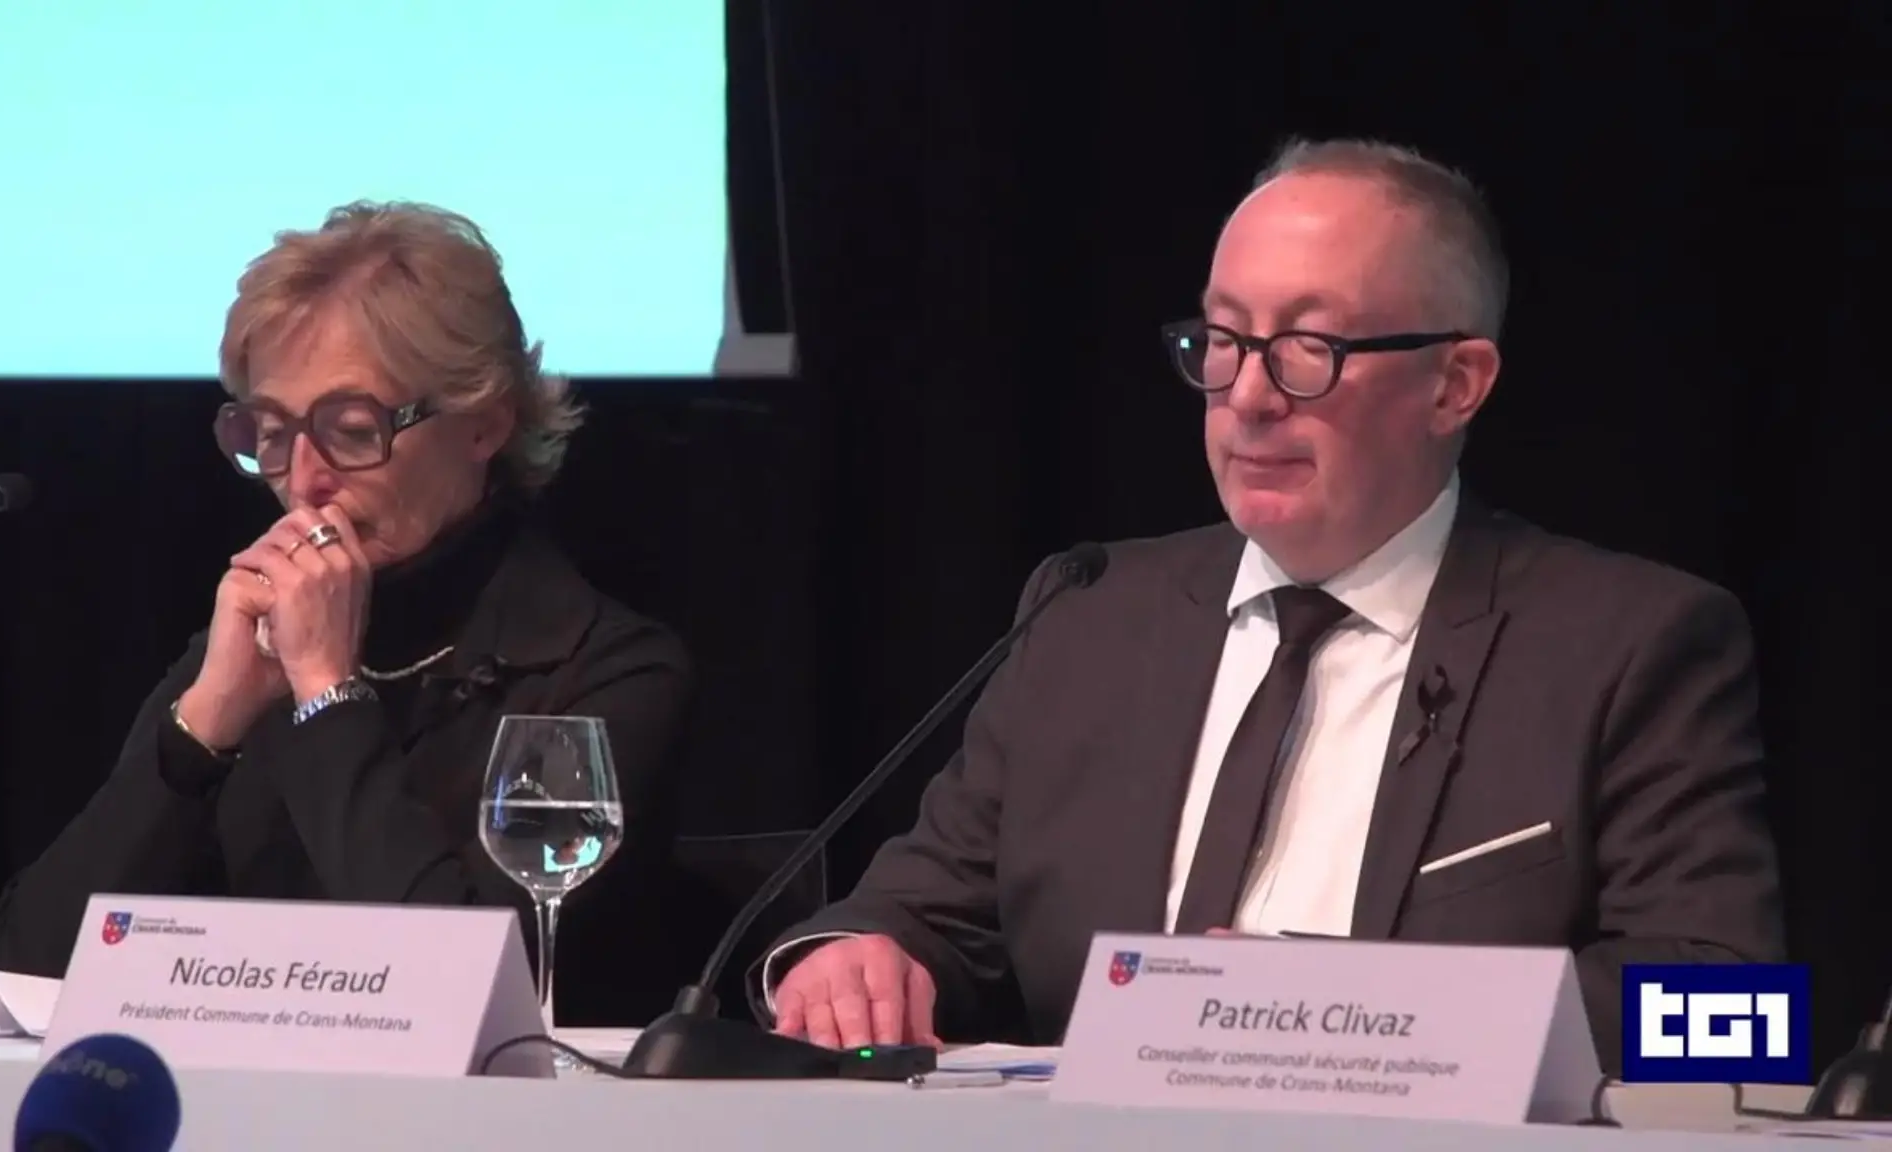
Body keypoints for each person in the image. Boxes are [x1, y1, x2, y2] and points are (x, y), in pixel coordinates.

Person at [760, 138, 1783, 1073]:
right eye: (1223, 339)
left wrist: (1344, 1010)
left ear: (1454, 384)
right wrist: (856, 955)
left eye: (1308, 347)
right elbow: (924, 913)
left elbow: (1729, 1014)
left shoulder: (1627, 645)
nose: (1247, 396)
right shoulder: (1089, 617)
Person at [0, 202, 692, 1024]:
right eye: (271, 432)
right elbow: (32, 973)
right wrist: (201, 729)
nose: (303, 481)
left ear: (484, 423)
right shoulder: (251, 653)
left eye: (353, 430)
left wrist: (327, 695)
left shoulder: (607, 670)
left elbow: (458, 993)